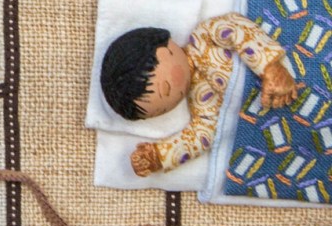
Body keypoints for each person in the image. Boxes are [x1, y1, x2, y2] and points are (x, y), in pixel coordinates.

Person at [100, 13, 299, 176]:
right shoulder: (199, 100)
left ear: (164, 45)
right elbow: (203, 134)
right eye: (163, 109)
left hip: (291, 61)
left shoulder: (203, 36)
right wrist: (160, 156)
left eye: (166, 88)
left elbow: (238, 28)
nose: (172, 99)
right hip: (283, 112)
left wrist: (270, 67)